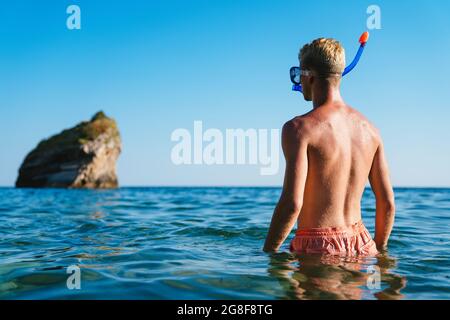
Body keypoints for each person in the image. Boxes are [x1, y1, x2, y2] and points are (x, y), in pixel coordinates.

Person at [263, 38, 395, 255]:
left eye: (298, 74)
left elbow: (292, 203)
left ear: (309, 76)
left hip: (318, 248)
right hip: (363, 243)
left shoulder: (299, 128)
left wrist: (267, 254)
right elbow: (387, 203)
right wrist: (379, 252)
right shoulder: (370, 130)